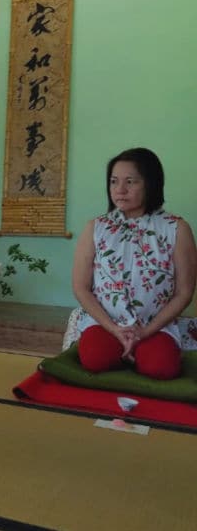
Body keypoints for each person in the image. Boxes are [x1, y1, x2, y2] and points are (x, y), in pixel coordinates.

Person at [72, 147, 197, 380]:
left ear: (151, 183)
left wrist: (144, 332)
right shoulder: (95, 228)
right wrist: (114, 329)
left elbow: (185, 292)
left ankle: (135, 351)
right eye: (114, 181)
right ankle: (125, 349)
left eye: (130, 182)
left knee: (161, 368)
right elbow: (81, 287)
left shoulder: (177, 228)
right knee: (94, 358)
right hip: (107, 323)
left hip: (154, 325)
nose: (120, 190)